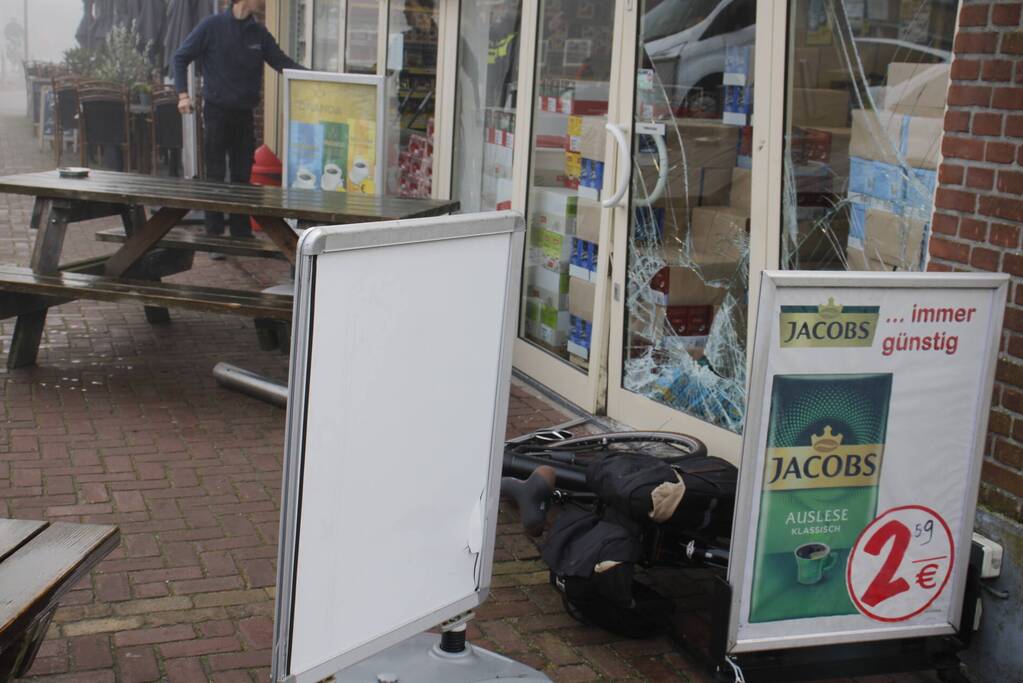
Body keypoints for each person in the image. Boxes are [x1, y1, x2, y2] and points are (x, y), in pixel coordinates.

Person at [173, 0, 303, 253]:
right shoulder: (212, 26)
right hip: (216, 112)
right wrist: (183, 95)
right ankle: (214, 235)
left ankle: (241, 233)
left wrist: (316, 77)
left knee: (242, 174)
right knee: (215, 174)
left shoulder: (258, 33)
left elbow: (282, 62)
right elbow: (180, 57)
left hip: (244, 114)